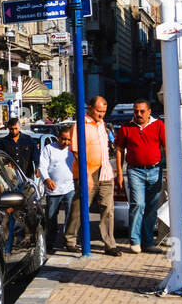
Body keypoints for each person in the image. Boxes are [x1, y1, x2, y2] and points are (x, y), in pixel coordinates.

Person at [65, 96, 120, 256]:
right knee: (80, 207)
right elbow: (76, 151)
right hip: (87, 172)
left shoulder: (102, 125)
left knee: (108, 209)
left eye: (104, 111)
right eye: (98, 111)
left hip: (105, 171)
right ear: (90, 108)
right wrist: (86, 174)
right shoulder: (80, 125)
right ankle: (70, 239)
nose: (101, 114)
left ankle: (110, 244)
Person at [116, 99, 166, 254]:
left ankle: (148, 242)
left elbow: (166, 147)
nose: (138, 114)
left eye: (142, 111)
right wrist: (119, 172)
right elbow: (119, 149)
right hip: (135, 170)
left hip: (155, 170)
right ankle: (135, 240)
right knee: (138, 204)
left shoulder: (158, 125)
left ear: (149, 111)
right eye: (136, 111)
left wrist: (169, 170)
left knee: (152, 208)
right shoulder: (126, 127)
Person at [39, 126, 76, 252]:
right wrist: (47, 179)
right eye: (63, 139)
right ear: (58, 137)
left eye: (68, 140)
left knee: (71, 217)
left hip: (70, 188)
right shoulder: (49, 149)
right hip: (53, 190)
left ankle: (69, 242)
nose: (65, 142)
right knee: (51, 217)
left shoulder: (72, 149)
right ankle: (50, 243)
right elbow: (42, 167)